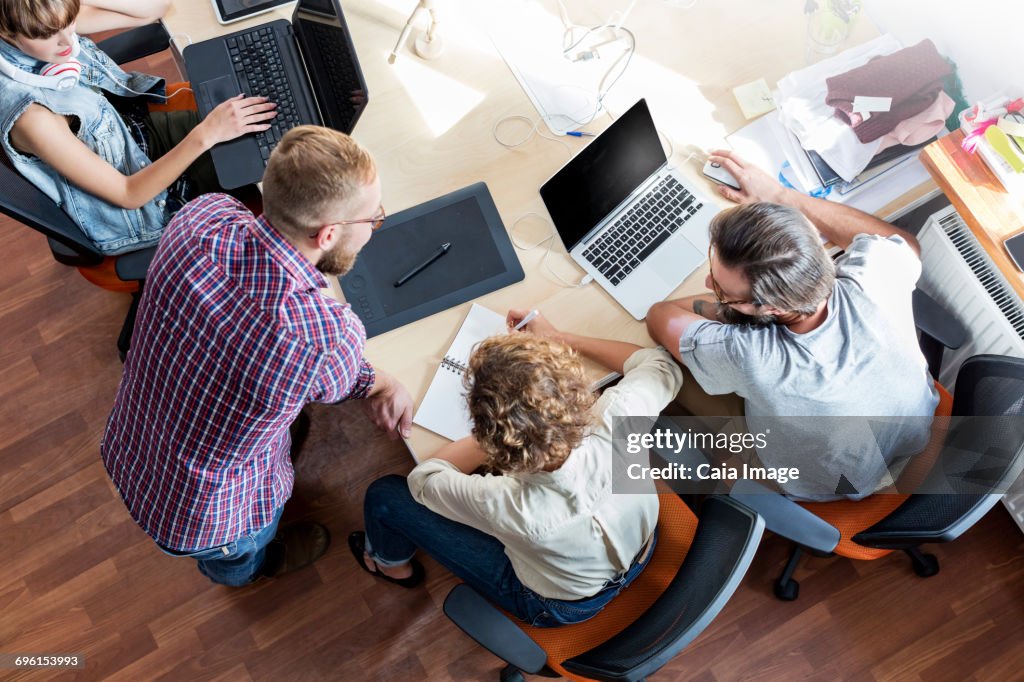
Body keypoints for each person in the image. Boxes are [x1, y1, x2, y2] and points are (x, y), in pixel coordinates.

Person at [101, 126, 414, 586]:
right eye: (372, 219)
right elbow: (348, 380)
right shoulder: (323, 336)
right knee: (240, 552)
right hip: (209, 514)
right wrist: (386, 383)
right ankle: (252, 569)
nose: (373, 227)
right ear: (328, 234)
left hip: (131, 443)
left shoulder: (202, 218)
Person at [645, 149, 939, 501]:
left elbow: (659, 315)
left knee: (666, 375)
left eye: (721, 288)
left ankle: (742, 473)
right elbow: (908, 245)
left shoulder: (750, 355)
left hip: (840, 483)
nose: (709, 284)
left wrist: (722, 310)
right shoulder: (876, 270)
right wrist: (781, 197)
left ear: (770, 307)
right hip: (915, 431)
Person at [350, 319, 682, 627]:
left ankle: (390, 564)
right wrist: (559, 339)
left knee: (386, 495)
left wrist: (498, 435)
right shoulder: (617, 417)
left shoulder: (507, 504)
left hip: (562, 606)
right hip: (644, 545)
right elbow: (660, 364)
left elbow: (424, 480)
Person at [0, 0, 277, 254]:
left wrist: (67, 5)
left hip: (136, 138)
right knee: (282, 173)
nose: (68, 42)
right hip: (150, 204)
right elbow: (129, 194)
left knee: (273, 124)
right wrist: (208, 134)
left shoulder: (47, 21)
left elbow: (154, 9)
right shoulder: (33, 118)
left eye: (68, 22)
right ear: (5, 32)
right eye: (48, 34)